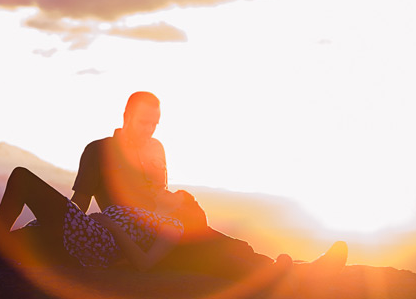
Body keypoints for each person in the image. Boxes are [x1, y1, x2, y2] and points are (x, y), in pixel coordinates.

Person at [72, 92, 345, 281]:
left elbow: (159, 194)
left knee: (237, 247)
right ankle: (307, 272)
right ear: (126, 116)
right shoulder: (99, 151)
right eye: (144, 123)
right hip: (139, 236)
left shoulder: (156, 148)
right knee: (224, 260)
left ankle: (305, 268)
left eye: (155, 124)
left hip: (170, 226)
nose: (150, 131)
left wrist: (175, 198)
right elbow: (79, 205)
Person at [0, 166, 206, 272]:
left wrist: (111, 228)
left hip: (93, 243)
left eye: (174, 194)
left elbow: (145, 265)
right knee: (4, 251)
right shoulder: (145, 211)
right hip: (85, 234)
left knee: (22, 178)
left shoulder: (173, 227)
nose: (167, 190)